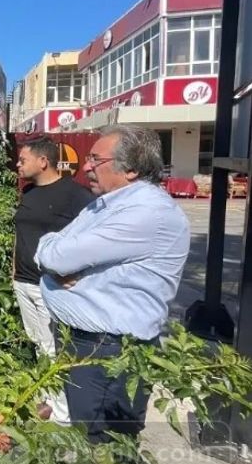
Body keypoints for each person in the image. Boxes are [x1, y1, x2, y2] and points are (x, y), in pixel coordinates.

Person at [35, 125, 190, 443]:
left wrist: (56, 260)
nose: (86, 166)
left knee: (105, 452)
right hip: (88, 346)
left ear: (130, 168)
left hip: (109, 355)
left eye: (95, 159)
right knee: (87, 440)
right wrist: (54, 258)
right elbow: (48, 249)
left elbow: (57, 257)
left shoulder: (146, 212)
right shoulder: (103, 205)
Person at [13, 136, 94, 424]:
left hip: (51, 286)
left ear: (43, 161)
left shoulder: (76, 195)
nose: (18, 165)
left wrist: (79, 273)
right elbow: (21, 234)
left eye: (23, 160)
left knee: (56, 348)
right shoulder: (29, 193)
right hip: (23, 282)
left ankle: (62, 414)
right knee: (38, 342)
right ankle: (47, 399)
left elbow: (94, 238)